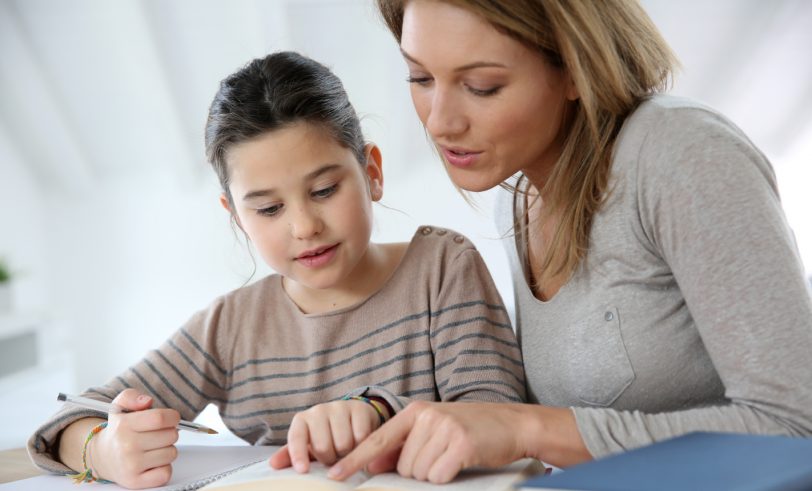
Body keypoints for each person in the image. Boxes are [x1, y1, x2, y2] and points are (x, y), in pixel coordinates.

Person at [316, 0, 812, 485]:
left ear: (577, 68)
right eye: (420, 78)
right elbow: (546, 424)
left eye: (481, 87)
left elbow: (796, 427)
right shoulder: (520, 197)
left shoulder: (682, 155)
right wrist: (390, 416)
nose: (440, 122)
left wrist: (529, 429)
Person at [26, 51, 525, 489]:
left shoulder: (441, 269)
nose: (305, 226)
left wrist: (378, 411)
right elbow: (71, 418)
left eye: (325, 190)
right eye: (268, 210)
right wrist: (104, 449)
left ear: (371, 172)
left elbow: (502, 422)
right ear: (236, 216)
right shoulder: (232, 326)